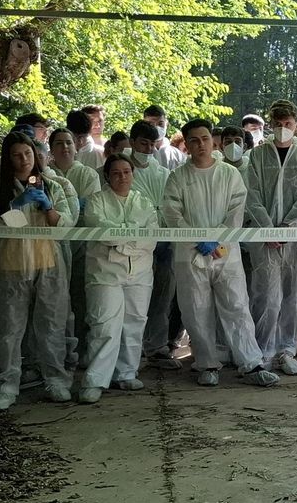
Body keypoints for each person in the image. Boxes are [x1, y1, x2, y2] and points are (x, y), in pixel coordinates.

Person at [163, 123, 282, 388]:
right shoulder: (178, 177)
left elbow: (236, 211)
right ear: (187, 144)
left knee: (237, 306)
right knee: (196, 310)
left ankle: (250, 362)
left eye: (205, 139)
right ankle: (206, 363)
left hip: (225, 252)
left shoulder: (229, 174)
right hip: (190, 254)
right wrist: (198, 239)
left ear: (213, 142)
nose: (201, 145)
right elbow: (172, 213)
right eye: (194, 140)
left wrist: (217, 239)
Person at [0, 131, 75, 409]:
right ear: (8, 159)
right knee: (8, 327)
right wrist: (16, 205)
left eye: (28, 153)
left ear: (36, 156)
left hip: (48, 263)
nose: (23, 160)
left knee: (50, 325)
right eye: (16, 155)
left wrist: (49, 209)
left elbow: (67, 224)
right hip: (11, 266)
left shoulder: (52, 185)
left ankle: (56, 380)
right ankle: (7, 385)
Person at [243, 99, 297, 375]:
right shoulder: (258, 156)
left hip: (296, 236)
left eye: (287, 124)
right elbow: (251, 194)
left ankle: (287, 349)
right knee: (266, 295)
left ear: (296, 125)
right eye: (278, 124)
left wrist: (288, 225)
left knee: (294, 294)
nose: (283, 128)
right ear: (271, 125)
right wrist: (268, 227)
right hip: (265, 237)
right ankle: (263, 350)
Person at [78, 154, 158, 402]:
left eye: (127, 172)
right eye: (116, 173)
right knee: (105, 325)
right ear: (107, 176)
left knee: (134, 322)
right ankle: (94, 380)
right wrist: (129, 239)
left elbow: (151, 238)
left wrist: (122, 243)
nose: (122, 177)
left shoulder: (144, 202)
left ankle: (126, 373)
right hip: (104, 273)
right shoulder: (96, 202)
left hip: (140, 272)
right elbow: (104, 232)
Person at [128, 121, 180, 364]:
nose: (148, 149)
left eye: (152, 144)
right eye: (143, 143)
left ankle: (157, 346)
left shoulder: (162, 172)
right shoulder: (123, 170)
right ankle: (131, 349)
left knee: (162, 296)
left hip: (165, 241)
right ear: (132, 143)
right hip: (135, 243)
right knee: (135, 299)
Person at [49, 126, 100, 366]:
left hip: (81, 244)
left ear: (76, 146)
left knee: (81, 298)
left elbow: (91, 209)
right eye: (59, 143)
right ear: (51, 149)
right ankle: (57, 353)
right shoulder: (44, 175)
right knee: (54, 302)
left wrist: (70, 209)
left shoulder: (88, 174)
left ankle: (83, 349)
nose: (65, 147)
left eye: (68, 142)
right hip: (52, 244)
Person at [144, 105, 185, 169]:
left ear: (166, 123)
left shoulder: (178, 156)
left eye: (160, 124)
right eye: (151, 124)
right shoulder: (138, 153)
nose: (156, 128)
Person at [76, 105, 107, 169]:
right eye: (92, 120)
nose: (97, 125)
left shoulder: (110, 147)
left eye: (100, 121)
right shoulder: (75, 146)